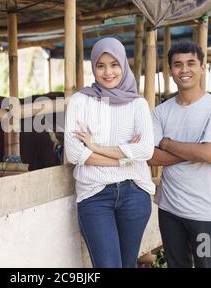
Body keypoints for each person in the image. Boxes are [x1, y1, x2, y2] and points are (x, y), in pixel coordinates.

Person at [64, 37, 155, 268]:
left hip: (135, 194)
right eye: (101, 65)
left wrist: (95, 148)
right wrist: (126, 158)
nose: (108, 72)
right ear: (93, 67)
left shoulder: (138, 104)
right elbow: (74, 154)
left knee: (127, 265)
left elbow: (145, 150)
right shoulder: (80, 101)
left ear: (124, 66)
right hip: (95, 195)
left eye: (114, 65)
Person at [148, 41, 211, 268]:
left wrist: (166, 143)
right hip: (169, 211)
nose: (184, 70)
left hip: (204, 214)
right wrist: (198, 151)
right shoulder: (161, 111)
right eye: (178, 65)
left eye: (191, 63)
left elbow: (208, 153)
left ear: (202, 67)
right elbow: (151, 157)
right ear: (171, 71)